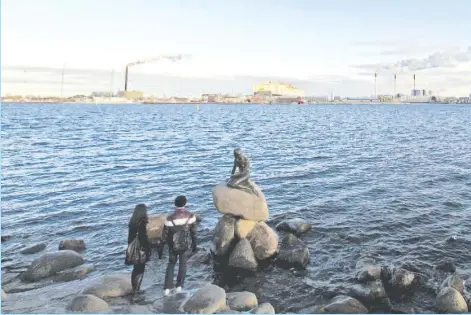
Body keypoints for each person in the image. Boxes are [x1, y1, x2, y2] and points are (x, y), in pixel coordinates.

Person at [158, 195, 197, 296]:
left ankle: (166, 288)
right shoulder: (191, 216)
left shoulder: (169, 218)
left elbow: (164, 236)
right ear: (185, 204)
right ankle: (179, 286)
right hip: (185, 244)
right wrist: (194, 245)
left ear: (175, 204)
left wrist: (161, 248)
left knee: (171, 264)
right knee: (183, 264)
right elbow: (193, 233)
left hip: (172, 245)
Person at [127, 204, 151, 294]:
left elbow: (130, 238)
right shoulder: (142, 223)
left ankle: (134, 288)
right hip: (141, 249)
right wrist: (148, 250)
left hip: (132, 248)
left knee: (135, 269)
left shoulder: (132, 222)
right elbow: (144, 238)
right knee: (141, 269)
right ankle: (137, 289)